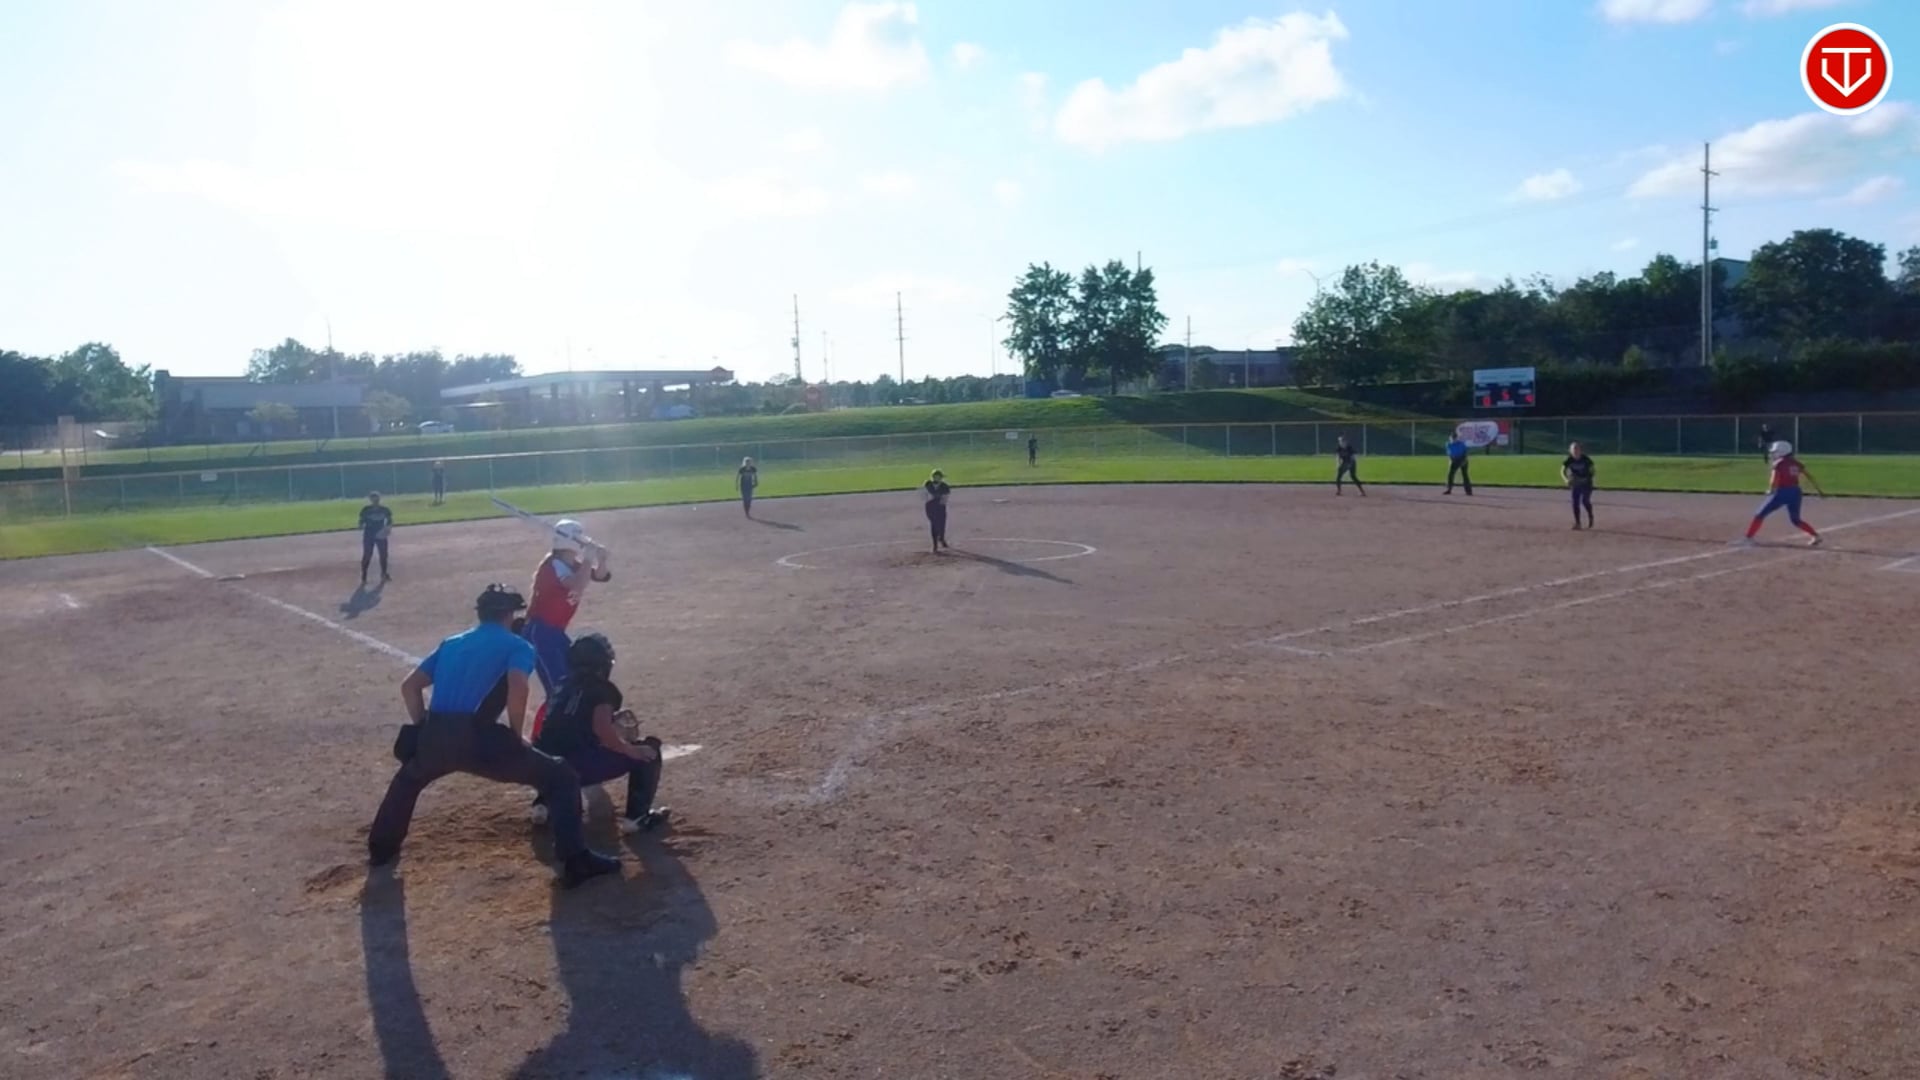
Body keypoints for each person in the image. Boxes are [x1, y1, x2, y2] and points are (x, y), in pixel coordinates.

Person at [366, 584, 620, 888]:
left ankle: (381, 849)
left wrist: (424, 728)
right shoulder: (517, 645)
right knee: (560, 775)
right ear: (509, 615)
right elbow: (518, 686)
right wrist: (516, 735)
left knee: (407, 781)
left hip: (436, 733)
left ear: (482, 614)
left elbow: (410, 686)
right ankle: (575, 860)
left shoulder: (451, 642)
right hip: (479, 738)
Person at [528, 633, 671, 835]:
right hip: (575, 767)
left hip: (541, 767)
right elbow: (601, 729)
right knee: (649, 750)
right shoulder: (603, 688)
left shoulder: (561, 684)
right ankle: (637, 818)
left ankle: (543, 804)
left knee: (556, 746)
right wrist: (630, 749)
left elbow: (563, 723)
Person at [522, 520, 612, 713]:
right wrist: (588, 559)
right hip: (540, 632)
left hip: (554, 632)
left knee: (572, 679)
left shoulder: (569, 564)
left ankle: (565, 720)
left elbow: (601, 576)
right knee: (558, 688)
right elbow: (577, 585)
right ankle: (550, 726)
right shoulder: (554, 565)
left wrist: (601, 559)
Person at [1741, 440, 1824, 547]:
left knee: (1759, 514)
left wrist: (1771, 489)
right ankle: (1815, 536)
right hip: (1795, 492)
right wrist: (1819, 490)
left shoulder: (1779, 463)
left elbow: (1774, 479)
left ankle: (1748, 538)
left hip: (1781, 492)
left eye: (1775, 451)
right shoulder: (1796, 462)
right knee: (1795, 519)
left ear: (1782, 451)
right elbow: (1809, 476)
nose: (1773, 454)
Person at [358, 492, 394, 585]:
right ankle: (364, 576)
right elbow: (361, 521)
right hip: (369, 534)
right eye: (373, 498)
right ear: (370, 499)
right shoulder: (366, 510)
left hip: (380, 534)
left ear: (379, 499)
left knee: (384, 554)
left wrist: (387, 528)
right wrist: (361, 525)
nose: (375, 500)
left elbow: (389, 520)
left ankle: (383, 574)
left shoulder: (385, 510)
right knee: (367, 555)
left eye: (377, 498)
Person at [1561, 442, 1596, 530]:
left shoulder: (1586, 459)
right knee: (1575, 502)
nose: (1575, 451)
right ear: (1570, 451)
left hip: (1586, 483)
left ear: (1580, 450)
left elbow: (1593, 470)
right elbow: (1562, 471)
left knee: (1585, 501)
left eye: (1577, 449)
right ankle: (1578, 523)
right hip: (1575, 483)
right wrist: (1566, 479)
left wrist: (1588, 478)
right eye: (1573, 449)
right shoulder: (1569, 459)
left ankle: (1590, 515)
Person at [922, 469, 952, 553]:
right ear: (933, 477)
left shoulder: (944, 486)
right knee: (934, 524)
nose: (939, 478)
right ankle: (935, 545)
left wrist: (937, 498)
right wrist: (932, 497)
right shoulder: (928, 484)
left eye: (940, 477)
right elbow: (924, 496)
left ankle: (941, 538)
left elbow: (944, 499)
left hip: (940, 507)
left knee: (942, 524)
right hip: (930, 507)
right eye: (937, 477)